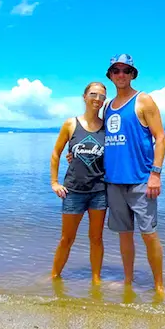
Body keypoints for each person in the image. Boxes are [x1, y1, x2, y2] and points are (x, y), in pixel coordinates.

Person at [102, 54, 165, 295]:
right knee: (124, 235)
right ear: (110, 75)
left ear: (132, 74)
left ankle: (159, 286)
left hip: (141, 181)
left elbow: (160, 138)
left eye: (125, 71)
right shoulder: (108, 106)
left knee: (149, 234)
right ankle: (128, 281)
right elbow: (100, 138)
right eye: (116, 70)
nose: (121, 75)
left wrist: (156, 174)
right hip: (114, 182)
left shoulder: (143, 100)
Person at [49, 81, 108, 284]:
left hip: (99, 191)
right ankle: (54, 277)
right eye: (93, 94)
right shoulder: (70, 124)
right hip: (73, 191)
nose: (97, 99)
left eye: (102, 96)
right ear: (84, 97)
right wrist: (55, 182)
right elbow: (56, 153)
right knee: (67, 239)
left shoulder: (107, 127)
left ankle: (96, 280)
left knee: (96, 239)